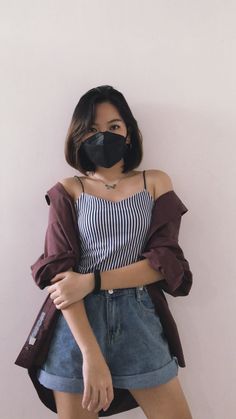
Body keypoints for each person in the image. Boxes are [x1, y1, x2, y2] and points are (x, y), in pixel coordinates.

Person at [36, 85, 193, 418]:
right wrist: (91, 356)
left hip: (139, 316)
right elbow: (62, 279)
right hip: (77, 325)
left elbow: (164, 262)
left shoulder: (155, 181)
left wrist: (90, 280)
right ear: (78, 136)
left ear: (129, 134)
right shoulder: (68, 189)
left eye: (114, 127)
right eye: (92, 129)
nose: (103, 135)